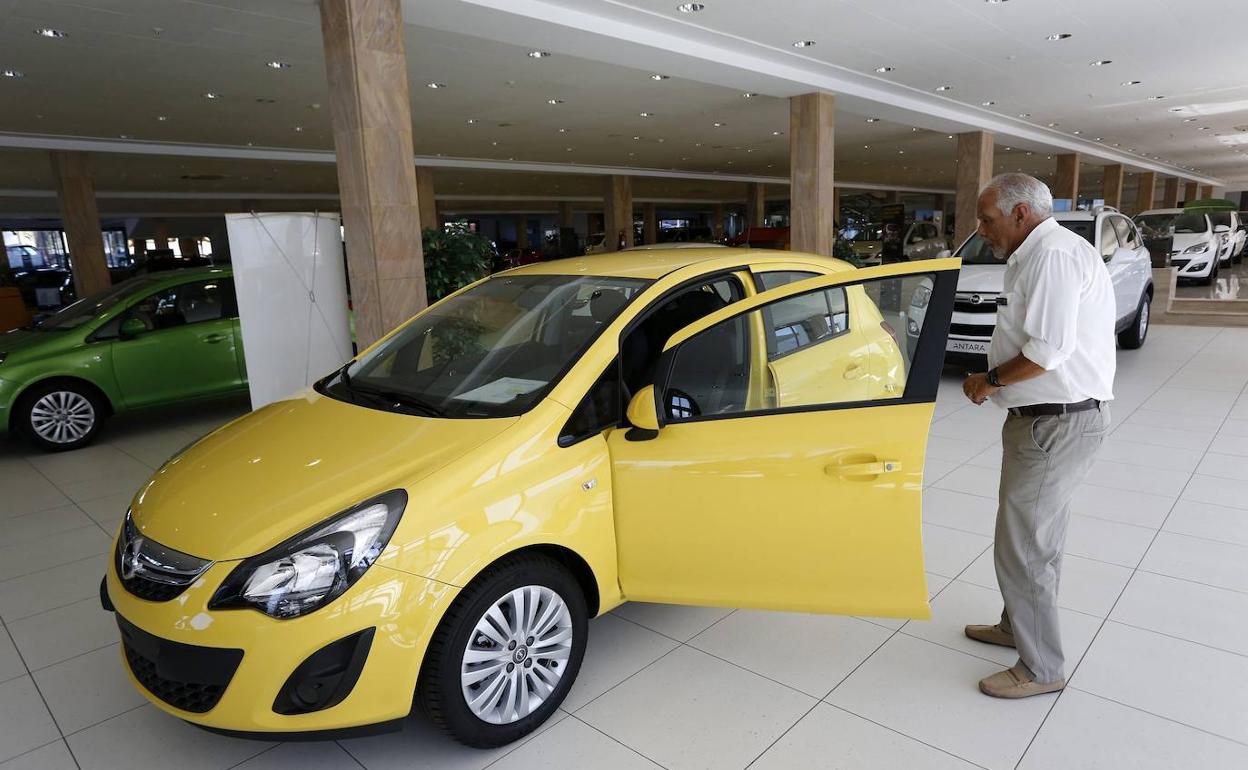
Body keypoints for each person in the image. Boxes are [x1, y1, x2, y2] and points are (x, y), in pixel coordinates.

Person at [961, 174, 1115, 699]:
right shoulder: (1038, 254)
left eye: (987, 219)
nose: (980, 229)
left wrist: (990, 380)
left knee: (1025, 546)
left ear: (1022, 212)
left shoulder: (1053, 256)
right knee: (1033, 539)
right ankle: (1015, 627)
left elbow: (1048, 350)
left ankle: (1041, 667)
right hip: (1046, 421)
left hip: (1056, 422)